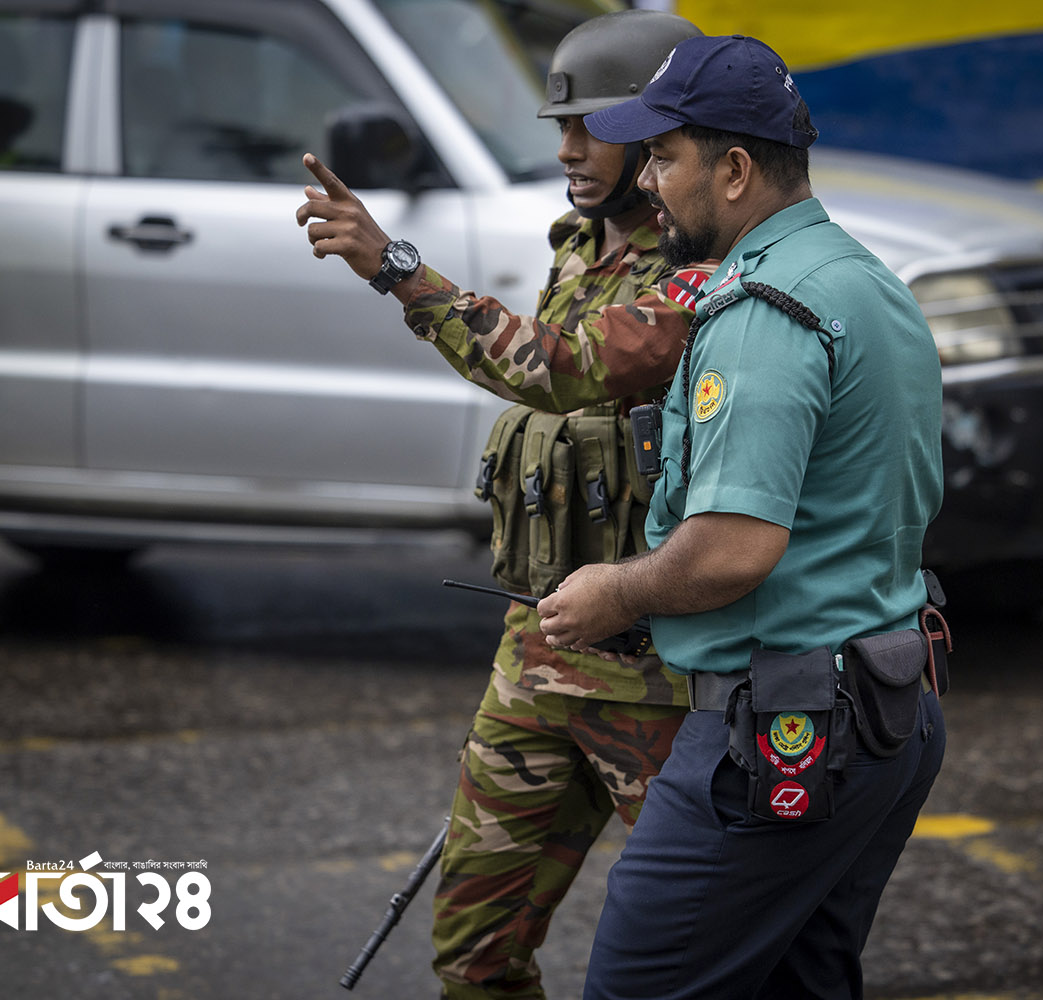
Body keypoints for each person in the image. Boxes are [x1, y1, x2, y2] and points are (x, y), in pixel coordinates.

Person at [295, 11, 711, 1000]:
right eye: (559, 124)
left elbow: (564, 369)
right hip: (534, 652)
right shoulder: (579, 237)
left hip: (653, 681)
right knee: (474, 949)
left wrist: (398, 270)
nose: (564, 148)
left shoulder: (703, 263)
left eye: (588, 127)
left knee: (711, 948)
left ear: (659, 133)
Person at [535, 34, 948, 1000]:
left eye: (665, 156)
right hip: (886, 708)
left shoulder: (763, 311)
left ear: (732, 169)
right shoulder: (864, 280)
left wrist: (614, 592)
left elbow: (730, 551)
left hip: (784, 731)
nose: (647, 177)